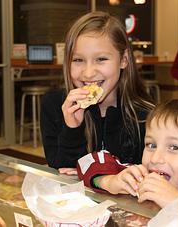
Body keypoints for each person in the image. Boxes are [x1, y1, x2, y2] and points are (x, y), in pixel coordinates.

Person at [40, 11, 155, 173]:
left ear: (124, 60)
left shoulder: (145, 116)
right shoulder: (54, 104)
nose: (88, 73)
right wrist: (72, 128)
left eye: (101, 59)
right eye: (78, 60)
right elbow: (62, 171)